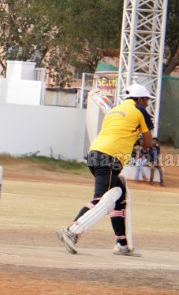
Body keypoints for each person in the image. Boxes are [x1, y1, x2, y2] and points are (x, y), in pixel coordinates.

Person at [57, 83, 154, 256]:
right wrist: (141, 139)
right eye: (146, 100)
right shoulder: (140, 111)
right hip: (110, 158)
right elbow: (148, 144)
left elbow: (119, 134)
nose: (147, 103)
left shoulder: (115, 111)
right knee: (102, 200)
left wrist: (134, 138)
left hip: (95, 153)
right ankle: (71, 231)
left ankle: (122, 243)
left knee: (120, 195)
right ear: (139, 99)